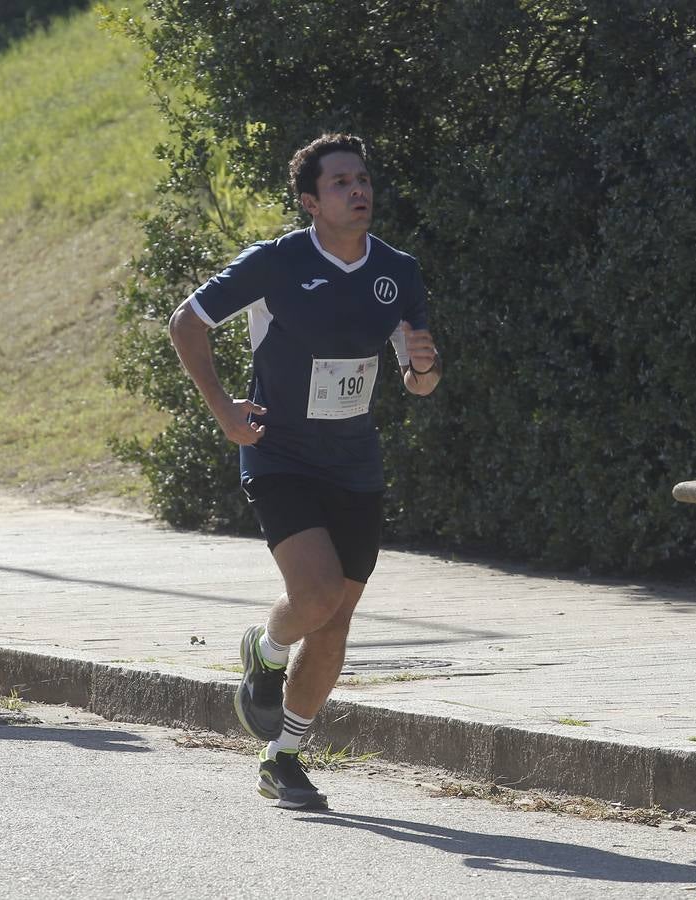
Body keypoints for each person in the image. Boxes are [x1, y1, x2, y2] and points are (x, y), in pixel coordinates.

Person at [168, 133, 443, 809]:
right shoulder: (278, 262)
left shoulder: (397, 271)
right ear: (310, 201)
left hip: (354, 462)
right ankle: (265, 648)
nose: (359, 190)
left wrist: (425, 365)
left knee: (336, 624)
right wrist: (223, 408)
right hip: (279, 451)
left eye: (364, 179)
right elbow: (186, 323)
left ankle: (283, 754)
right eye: (342, 182)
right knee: (315, 595)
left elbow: (418, 382)